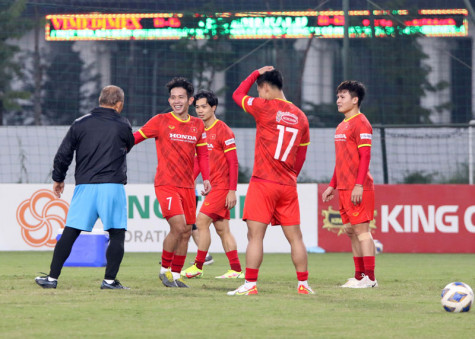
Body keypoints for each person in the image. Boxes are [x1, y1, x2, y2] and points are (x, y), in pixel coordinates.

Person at [35, 85, 134, 290]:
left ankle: (52, 279)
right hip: (112, 186)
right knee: (116, 234)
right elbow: (129, 145)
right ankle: (109, 281)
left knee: (70, 232)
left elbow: (63, 154)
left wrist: (58, 178)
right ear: (119, 104)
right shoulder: (123, 124)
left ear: (100, 100)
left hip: (85, 186)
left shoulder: (80, 123)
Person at [228, 66, 313, 295]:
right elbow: (302, 154)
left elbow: (237, 94)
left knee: (255, 235)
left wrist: (255, 73)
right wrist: (292, 175)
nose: (258, 94)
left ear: (265, 88)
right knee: (296, 237)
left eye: (259, 90)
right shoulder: (301, 117)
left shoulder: (264, 107)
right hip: (287, 184)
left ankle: (250, 284)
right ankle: (303, 284)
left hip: (263, 182)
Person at [133, 77, 211, 288]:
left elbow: (203, 155)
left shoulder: (197, 124)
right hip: (166, 184)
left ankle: (176, 275)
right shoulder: (160, 120)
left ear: (190, 100)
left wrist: (206, 179)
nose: (177, 101)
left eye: (181, 97)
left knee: (186, 231)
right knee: (177, 227)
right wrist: (114, 145)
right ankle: (164, 270)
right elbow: (134, 139)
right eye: (173, 97)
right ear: (169, 100)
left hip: (187, 186)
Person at [321, 80, 377, 288]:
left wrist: (359, 185)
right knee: (351, 231)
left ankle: (370, 278)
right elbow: (341, 160)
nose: (338, 100)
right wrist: (332, 185)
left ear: (355, 100)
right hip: (344, 187)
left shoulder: (361, 123)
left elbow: (365, 156)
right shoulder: (341, 125)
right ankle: (359, 276)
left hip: (358, 188)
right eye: (338, 97)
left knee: (363, 232)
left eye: (342, 97)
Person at [181, 90, 242, 279]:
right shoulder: (199, 131)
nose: (199, 111)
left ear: (213, 107)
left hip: (223, 187)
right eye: (197, 107)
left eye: (204, 107)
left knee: (200, 222)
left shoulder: (223, 129)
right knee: (222, 229)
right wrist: (190, 178)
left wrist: (232, 190)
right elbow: (200, 161)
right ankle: (236, 270)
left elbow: (233, 162)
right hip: (213, 187)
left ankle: (198, 266)